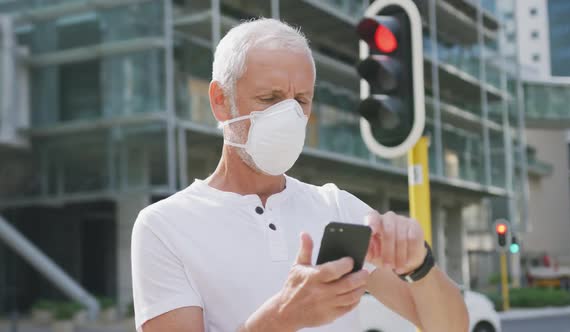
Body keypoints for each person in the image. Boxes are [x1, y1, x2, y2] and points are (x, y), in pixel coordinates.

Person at [131, 18, 468, 332]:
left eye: (301, 101)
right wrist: (282, 318)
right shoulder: (164, 226)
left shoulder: (339, 209)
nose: (289, 116)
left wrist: (419, 267)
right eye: (270, 98)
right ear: (221, 101)